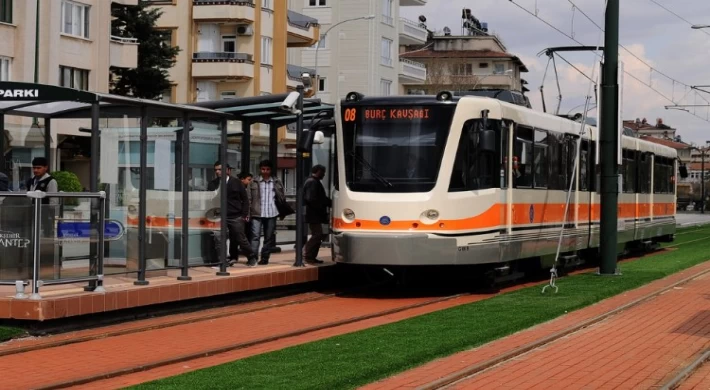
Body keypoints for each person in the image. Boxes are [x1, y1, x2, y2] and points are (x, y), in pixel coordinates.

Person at [208, 161, 256, 267]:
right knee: (219, 239)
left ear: (228, 170)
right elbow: (209, 200)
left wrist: (244, 215)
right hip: (219, 216)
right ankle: (222, 261)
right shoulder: (213, 183)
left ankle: (251, 256)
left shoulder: (236, 182)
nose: (217, 172)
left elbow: (245, 199)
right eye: (216, 169)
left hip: (235, 215)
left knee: (240, 238)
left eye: (220, 169)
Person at [248, 160, 285, 266]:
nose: (265, 171)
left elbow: (282, 198)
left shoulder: (277, 182)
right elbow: (248, 198)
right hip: (257, 212)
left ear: (271, 170)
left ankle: (264, 258)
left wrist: (282, 212)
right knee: (255, 236)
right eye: (263, 169)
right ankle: (253, 257)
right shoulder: (253, 182)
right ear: (260, 169)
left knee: (269, 238)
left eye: (267, 169)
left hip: (272, 213)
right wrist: (248, 213)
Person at [303, 164, 331, 264]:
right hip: (314, 214)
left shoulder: (314, 182)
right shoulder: (312, 182)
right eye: (323, 172)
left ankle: (311, 256)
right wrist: (322, 206)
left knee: (319, 235)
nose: (324, 174)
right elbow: (312, 199)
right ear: (318, 171)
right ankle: (306, 254)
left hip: (316, 214)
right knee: (317, 234)